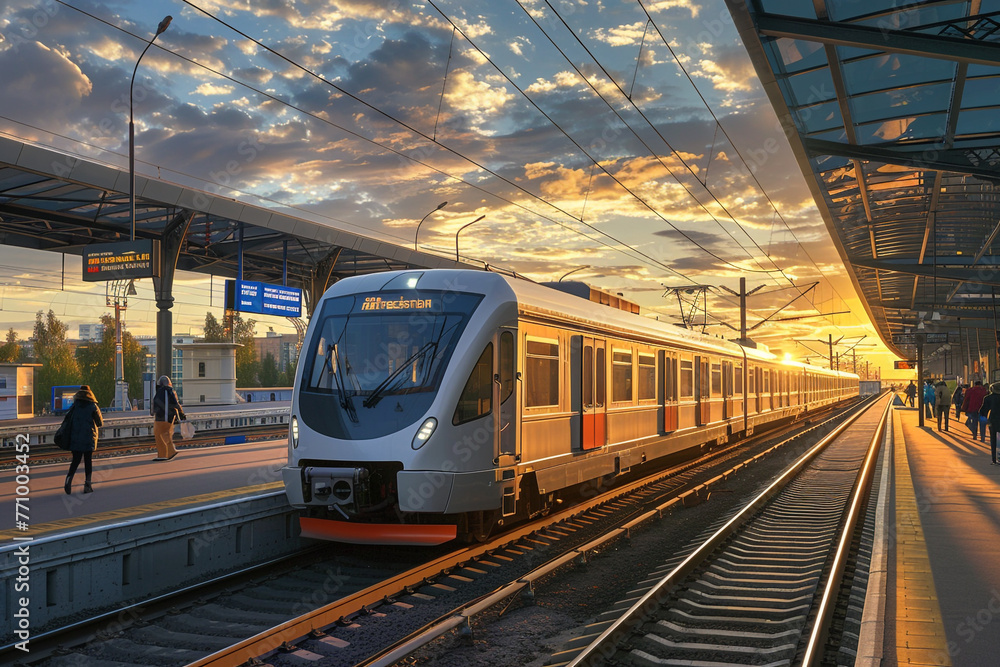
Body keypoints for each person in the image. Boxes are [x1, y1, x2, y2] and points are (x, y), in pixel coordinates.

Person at [63, 385, 103, 494]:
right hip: (88, 437)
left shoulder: (74, 406)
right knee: (88, 462)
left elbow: (67, 420)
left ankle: (68, 480)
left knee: (75, 461)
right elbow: (100, 423)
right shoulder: (93, 406)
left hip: (75, 437)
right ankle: (87, 485)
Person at [152, 375, 186, 461]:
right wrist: (181, 414)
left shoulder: (163, 391)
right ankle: (171, 452)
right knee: (166, 434)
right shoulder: (171, 391)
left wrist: (153, 412)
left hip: (162, 416)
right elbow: (176, 403)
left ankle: (163, 455)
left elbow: (156, 403)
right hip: (169, 417)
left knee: (159, 435)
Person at [981, 383, 1000, 464]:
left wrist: (984, 418)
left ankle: (993, 459)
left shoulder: (988, 398)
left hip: (993, 420)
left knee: (993, 439)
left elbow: (983, 410)